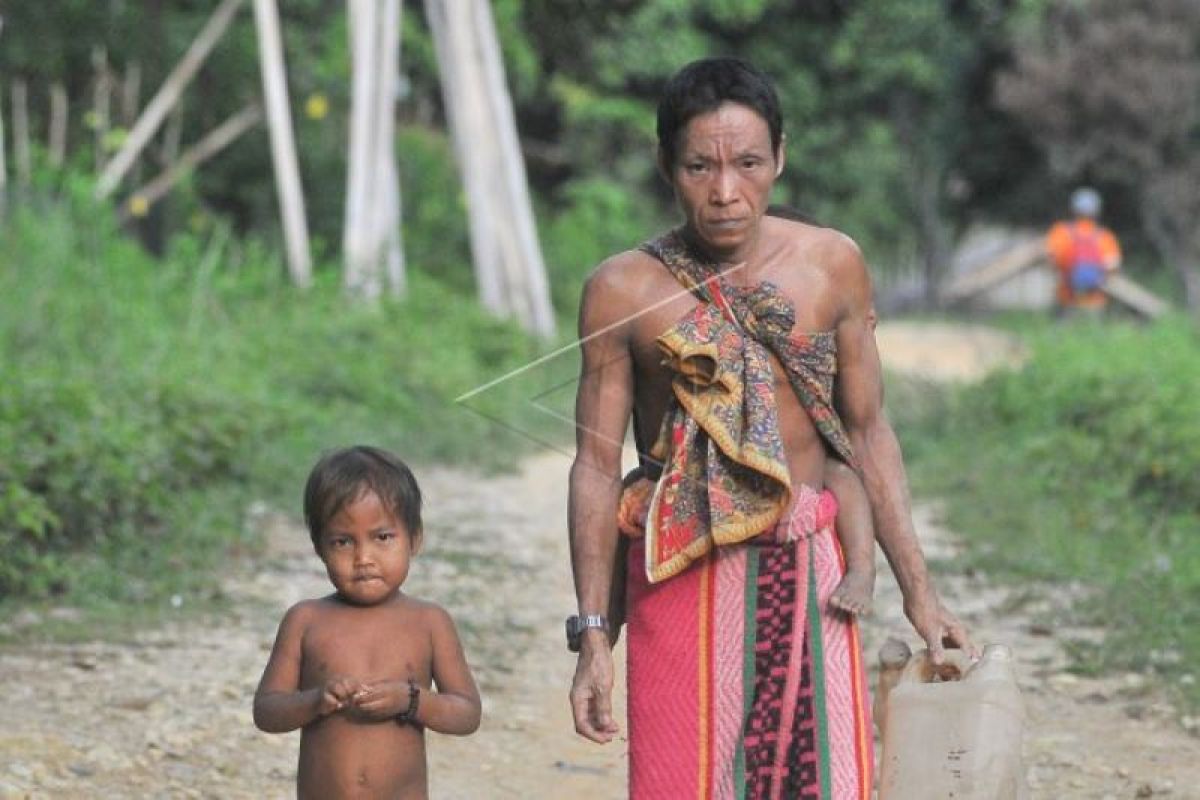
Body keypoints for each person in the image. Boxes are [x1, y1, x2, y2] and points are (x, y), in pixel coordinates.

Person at [566, 57, 974, 798]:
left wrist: (921, 592)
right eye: (699, 166)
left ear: (780, 158)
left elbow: (868, 432)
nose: (726, 192)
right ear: (666, 165)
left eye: (748, 163)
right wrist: (594, 636)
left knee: (820, 778)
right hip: (675, 579)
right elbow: (595, 468)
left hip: (810, 581)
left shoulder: (832, 265)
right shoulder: (622, 289)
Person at [254, 445, 481, 800]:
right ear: (319, 548)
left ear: (414, 539)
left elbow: (467, 714)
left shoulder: (429, 622)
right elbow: (267, 711)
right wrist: (315, 700)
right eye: (343, 542)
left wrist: (410, 701)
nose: (363, 558)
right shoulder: (305, 621)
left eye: (382, 537)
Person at [1045, 187, 1122, 317]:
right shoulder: (1105, 236)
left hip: (1067, 296)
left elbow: (1051, 259)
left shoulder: (1060, 232)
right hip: (1096, 299)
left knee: (1065, 335)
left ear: (1074, 209)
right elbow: (1113, 265)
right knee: (1091, 335)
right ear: (1097, 211)